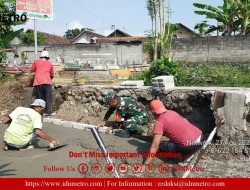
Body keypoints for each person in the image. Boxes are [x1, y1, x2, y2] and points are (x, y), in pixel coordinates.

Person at [143, 99, 203, 167]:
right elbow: (184, 120)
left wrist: (146, 164)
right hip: (201, 138)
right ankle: (190, 152)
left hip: (191, 147)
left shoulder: (159, 122)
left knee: (160, 146)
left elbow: (155, 146)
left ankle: (186, 157)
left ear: (152, 111)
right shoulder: (171, 112)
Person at [30, 50, 54, 116]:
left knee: (39, 98)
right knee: (48, 98)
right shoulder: (50, 63)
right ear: (47, 57)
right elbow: (52, 74)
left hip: (38, 82)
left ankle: (39, 112)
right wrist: (49, 79)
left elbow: (31, 70)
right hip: (47, 82)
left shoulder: (36, 62)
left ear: (41, 56)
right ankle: (48, 112)